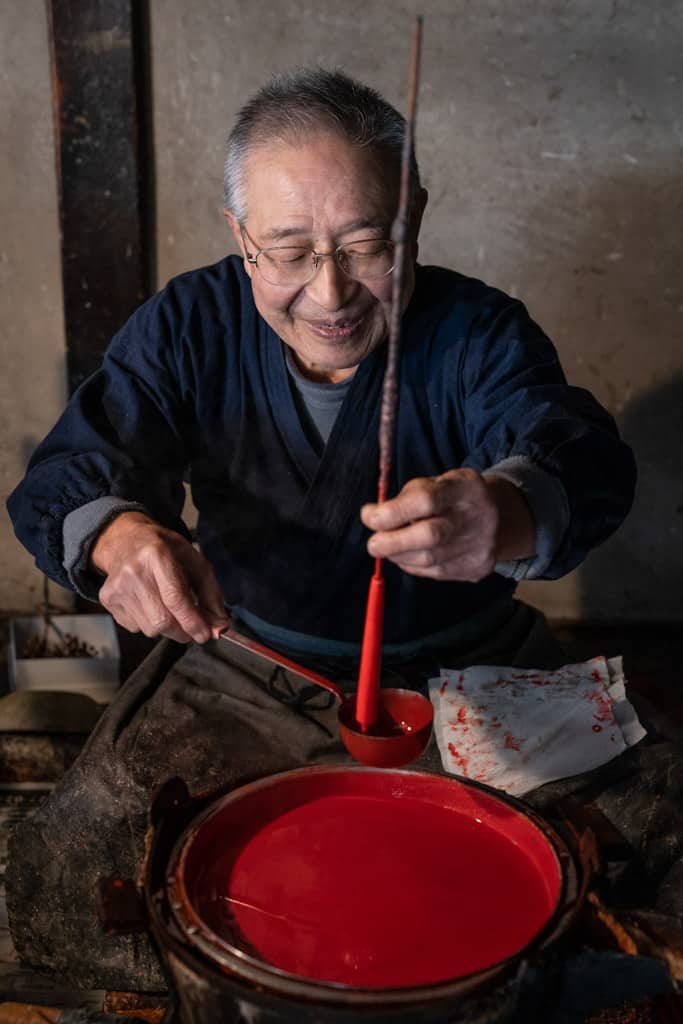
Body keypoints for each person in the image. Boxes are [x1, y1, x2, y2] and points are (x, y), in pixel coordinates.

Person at [6, 68, 636, 992]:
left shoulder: (477, 332)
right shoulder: (189, 324)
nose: (331, 292)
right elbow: (72, 471)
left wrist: (505, 510)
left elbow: (575, 450)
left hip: (472, 666)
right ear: (240, 239)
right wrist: (119, 540)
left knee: (634, 851)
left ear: (412, 212)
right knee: (78, 861)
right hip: (248, 660)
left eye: (367, 244)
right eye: (290, 251)